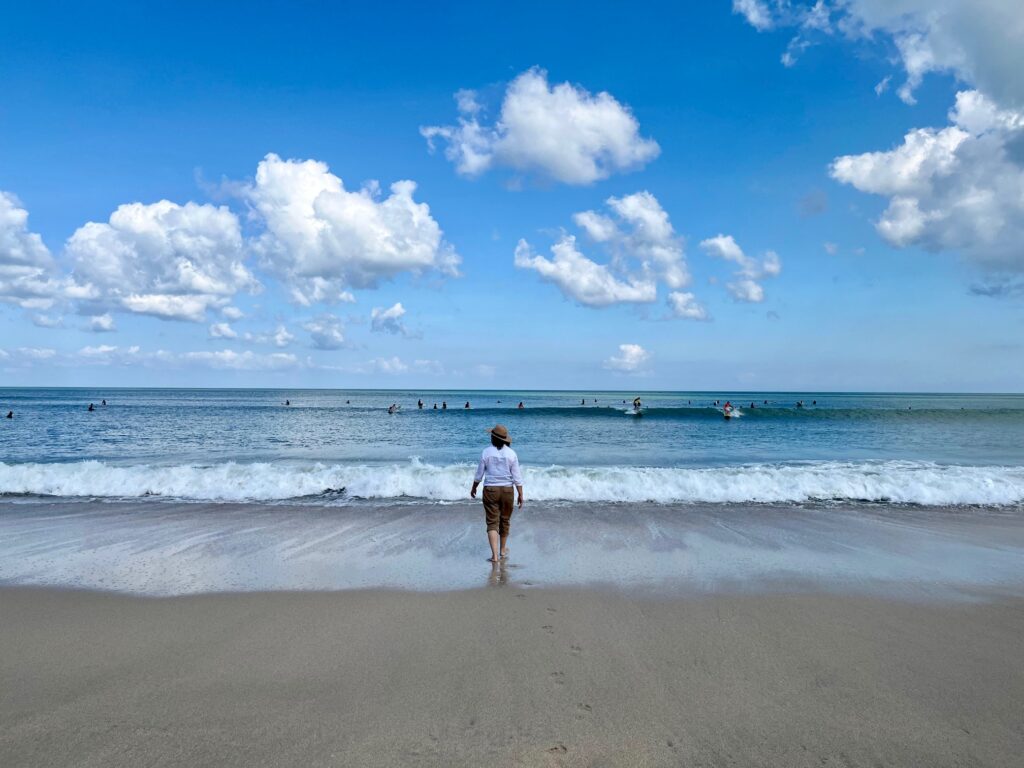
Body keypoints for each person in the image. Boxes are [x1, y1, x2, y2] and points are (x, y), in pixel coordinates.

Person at [470, 425, 524, 562]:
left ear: (493, 438)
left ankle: (494, 556)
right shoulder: (512, 453)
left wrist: (474, 487)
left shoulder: (486, 452)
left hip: (490, 490)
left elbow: (479, 474)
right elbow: (517, 476)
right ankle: (502, 550)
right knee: (505, 520)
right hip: (507, 490)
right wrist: (520, 494)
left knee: (492, 522)